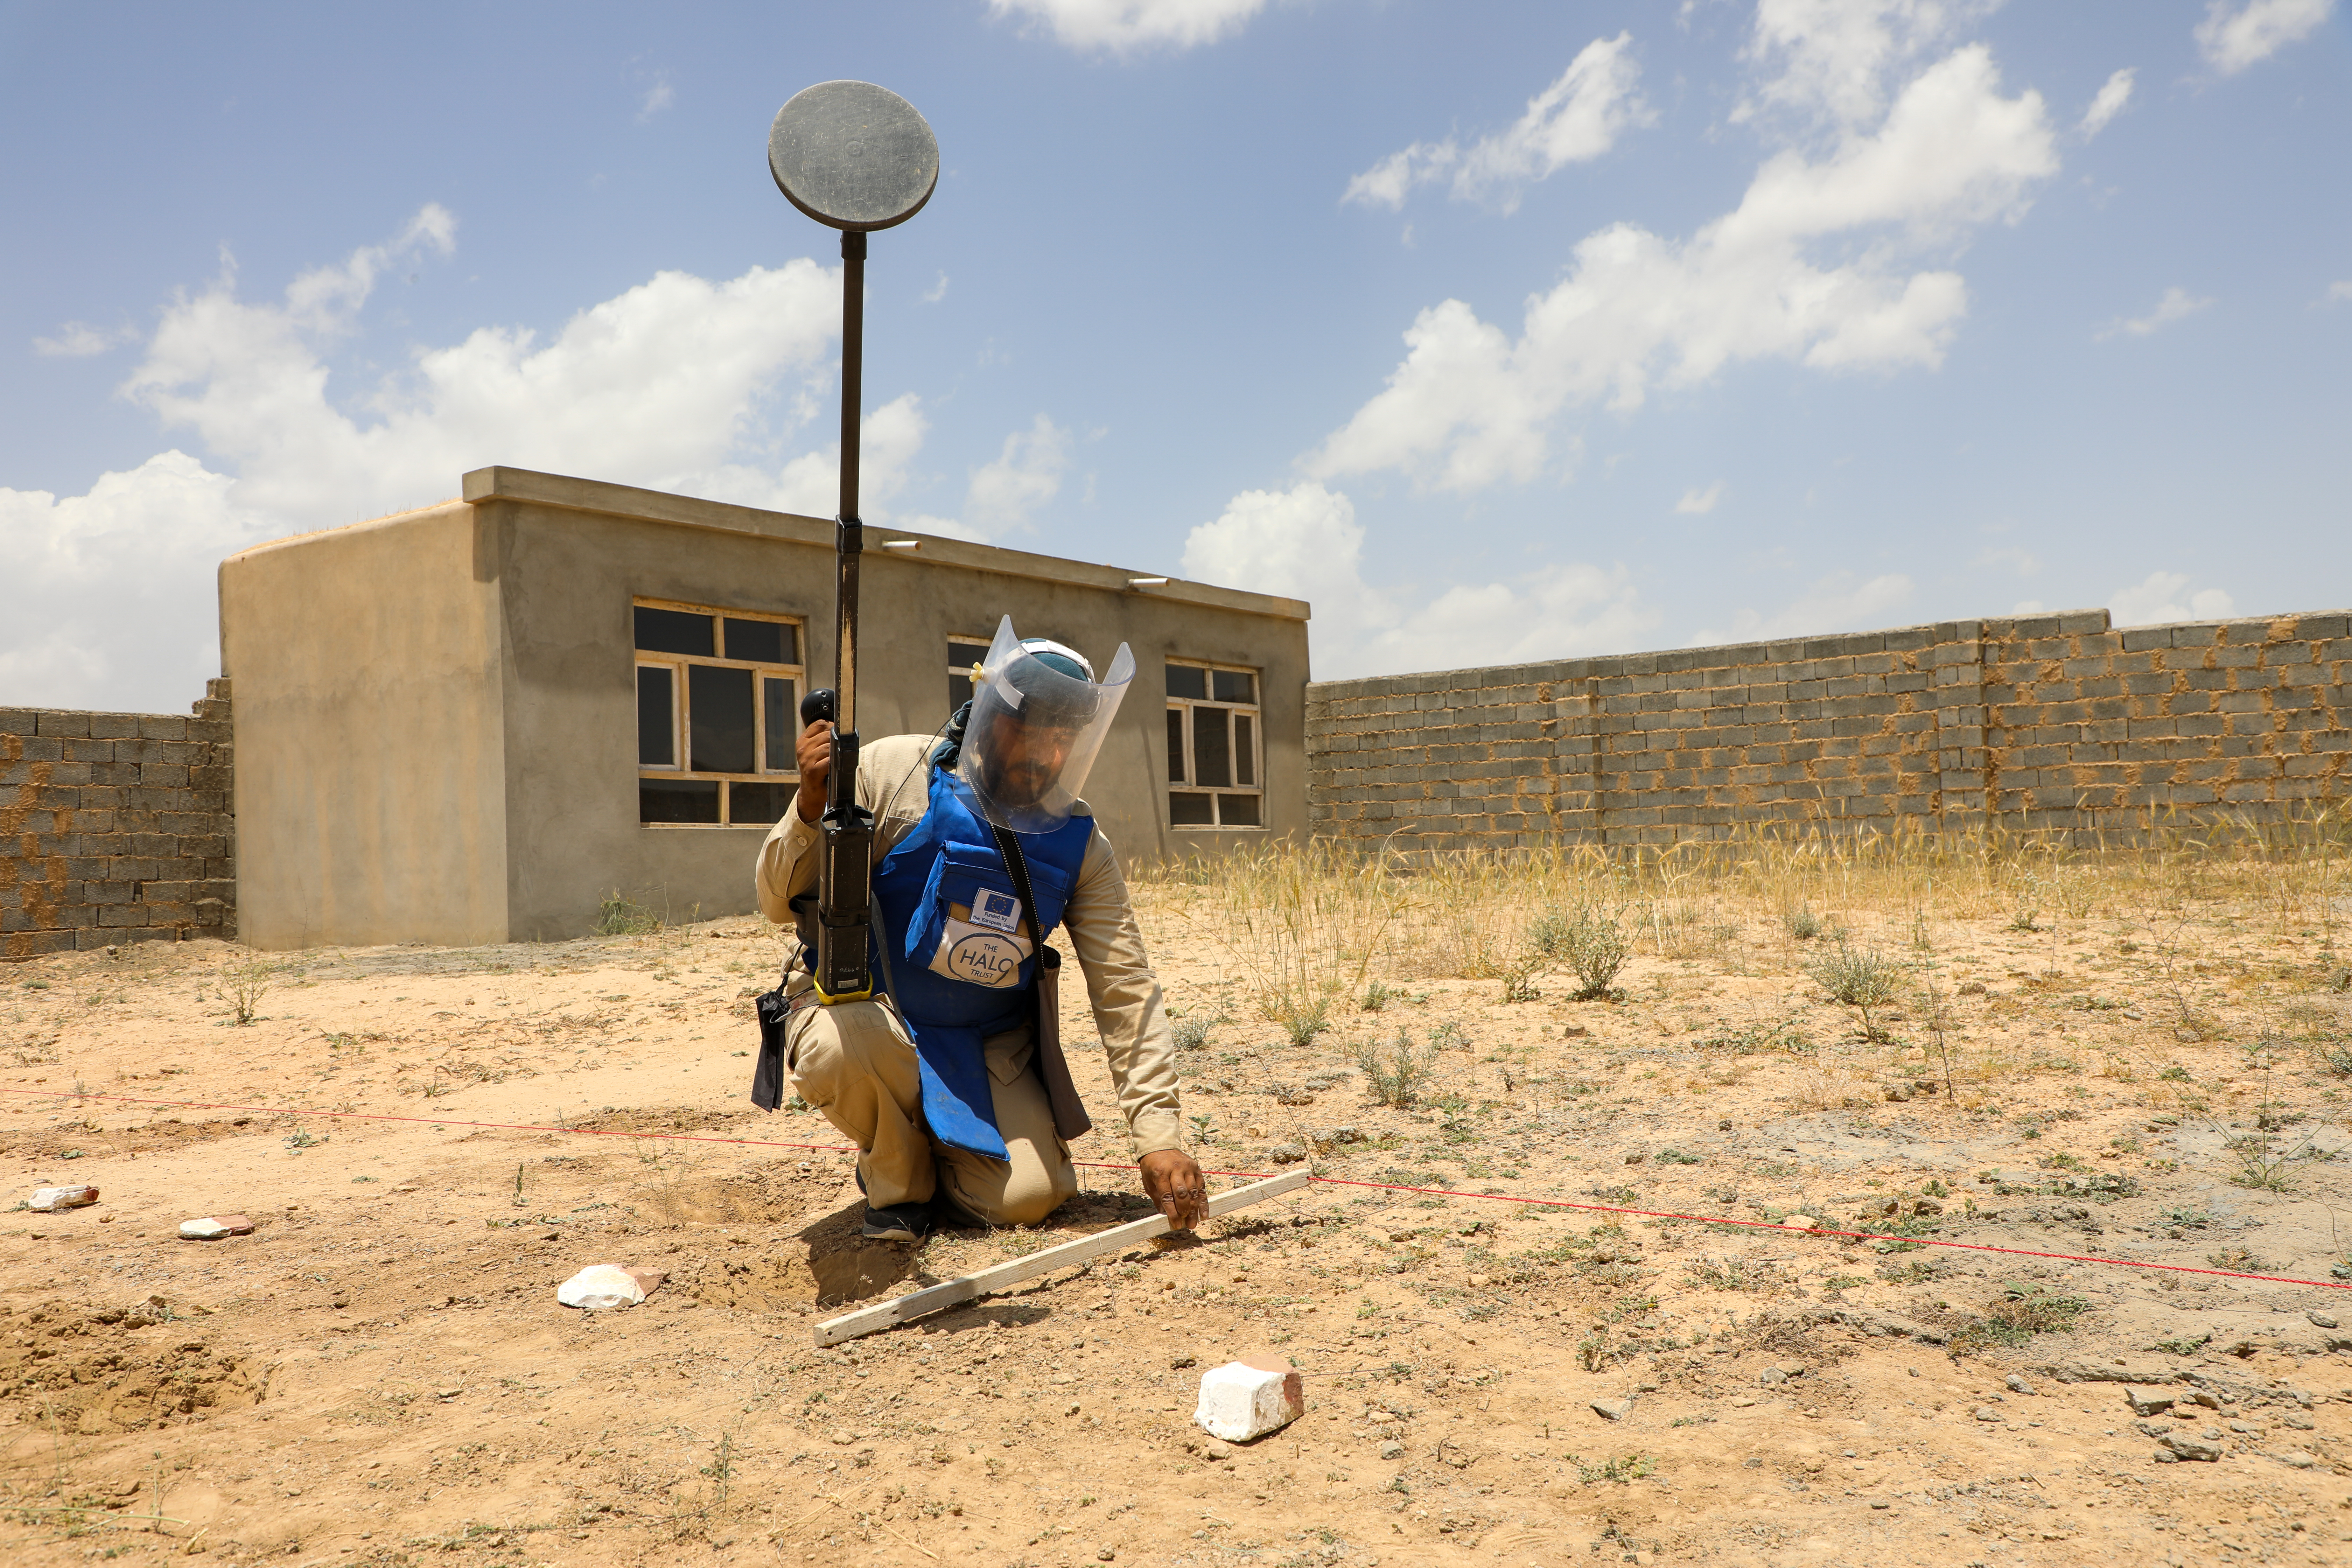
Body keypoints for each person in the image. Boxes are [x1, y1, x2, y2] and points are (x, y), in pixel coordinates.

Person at [753, 616, 1206, 1241]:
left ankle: (951, 1161)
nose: (1046, 754)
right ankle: (898, 1178)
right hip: (872, 1016)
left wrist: (1159, 1138)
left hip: (988, 1042)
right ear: (991, 716)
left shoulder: (1081, 845)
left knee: (1030, 1198)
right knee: (841, 1044)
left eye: (1063, 738)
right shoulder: (892, 774)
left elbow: (1125, 987)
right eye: (1031, 730)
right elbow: (777, 899)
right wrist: (809, 803)